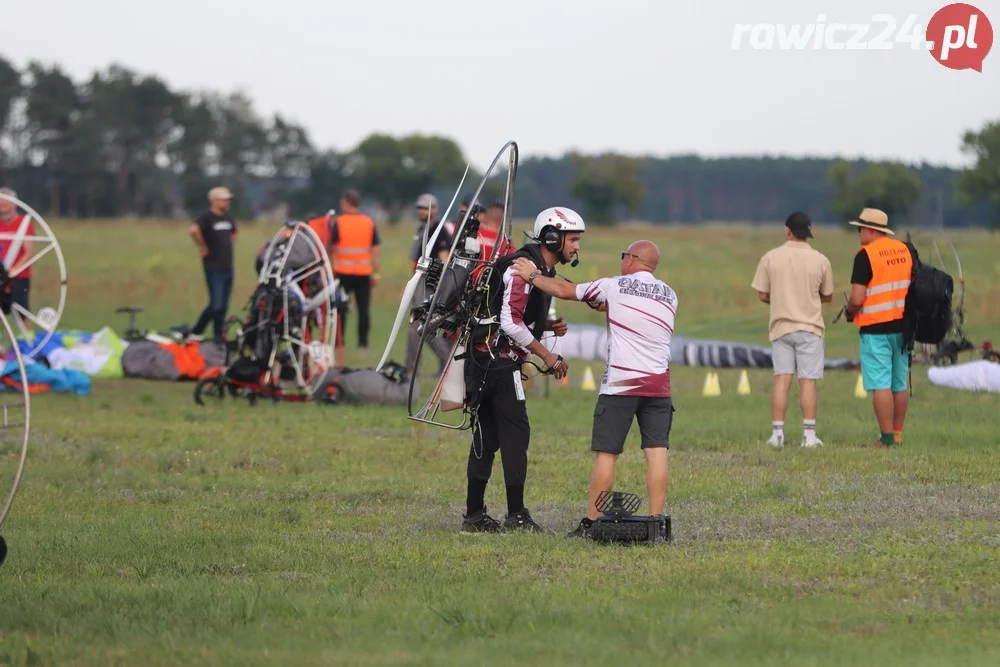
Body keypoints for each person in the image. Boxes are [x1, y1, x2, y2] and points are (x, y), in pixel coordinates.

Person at [510, 239, 677, 541]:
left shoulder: (614, 285)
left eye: (622, 256)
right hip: (659, 385)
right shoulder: (669, 294)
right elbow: (633, 313)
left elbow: (563, 290)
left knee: (607, 454)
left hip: (621, 386)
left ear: (631, 259)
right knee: (657, 452)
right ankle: (656, 523)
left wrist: (531, 275)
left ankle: (592, 522)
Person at [460, 206, 581, 534]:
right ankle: (516, 516)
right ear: (553, 237)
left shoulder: (539, 270)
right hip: (497, 364)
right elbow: (509, 324)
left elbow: (513, 319)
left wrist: (545, 327)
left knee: (487, 435)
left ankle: (473, 516)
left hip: (487, 361)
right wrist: (548, 357)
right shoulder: (521, 269)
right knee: (515, 435)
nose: (577, 247)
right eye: (572, 239)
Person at [750, 212, 835, 448]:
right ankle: (808, 436)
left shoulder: (770, 257)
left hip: (781, 327)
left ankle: (777, 434)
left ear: (787, 230)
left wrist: (779, 301)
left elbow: (762, 294)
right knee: (807, 382)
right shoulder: (821, 260)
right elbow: (827, 296)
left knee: (782, 380)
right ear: (808, 233)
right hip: (810, 328)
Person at [844, 208, 913, 448]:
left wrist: (849, 311)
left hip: (875, 328)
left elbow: (857, 297)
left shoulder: (865, 255)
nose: (858, 233)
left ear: (871, 230)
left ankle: (885, 441)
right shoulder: (904, 250)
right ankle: (897, 434)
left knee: (880, 384)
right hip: (904, 328)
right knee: (899, 383)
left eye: (859, 228)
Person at [407, 193, 452, 375]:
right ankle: (413, 369)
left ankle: (446, 361)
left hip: (430, 285)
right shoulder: (421, 229)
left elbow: (445, 259)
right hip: (419, 283)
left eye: (426, 208)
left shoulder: (438, 230)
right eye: (420, 208)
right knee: (419, 327)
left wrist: (441, 286)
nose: (422, 211)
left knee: (421, 327)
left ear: (435, 210)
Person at [330, 191, 380, 350]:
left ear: (346, 203)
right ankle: (363, 343)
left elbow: (331, 248)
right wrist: (376, 273)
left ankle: (339, 342)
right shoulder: (368, 222)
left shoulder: (339, 222)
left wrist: (331, 271)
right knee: (363, 309)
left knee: (340, 309)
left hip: (342, 272)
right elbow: (375, 251)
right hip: (363, 273)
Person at [189, 186, 238, 342]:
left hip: (228, 267)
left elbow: (235, 231)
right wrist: (203, 246)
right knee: (216, 304)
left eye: (228, 199)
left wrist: (229, 243)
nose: (227, 202)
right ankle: (196, 331)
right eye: (224, 199)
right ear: (214, 201)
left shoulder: (227, 217)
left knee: (223, 306)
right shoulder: (206, 218)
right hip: (213, 267)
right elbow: (193, 230)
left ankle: (219, 336)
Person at [0, 187, 34, 318]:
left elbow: (29, 253)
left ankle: (27, 337)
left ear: (13, 204)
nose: (2, 208)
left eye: (4, 205)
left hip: (19, 276)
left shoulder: (24, 224)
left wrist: (12, 271)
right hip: (2, 274)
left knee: (21, 311)